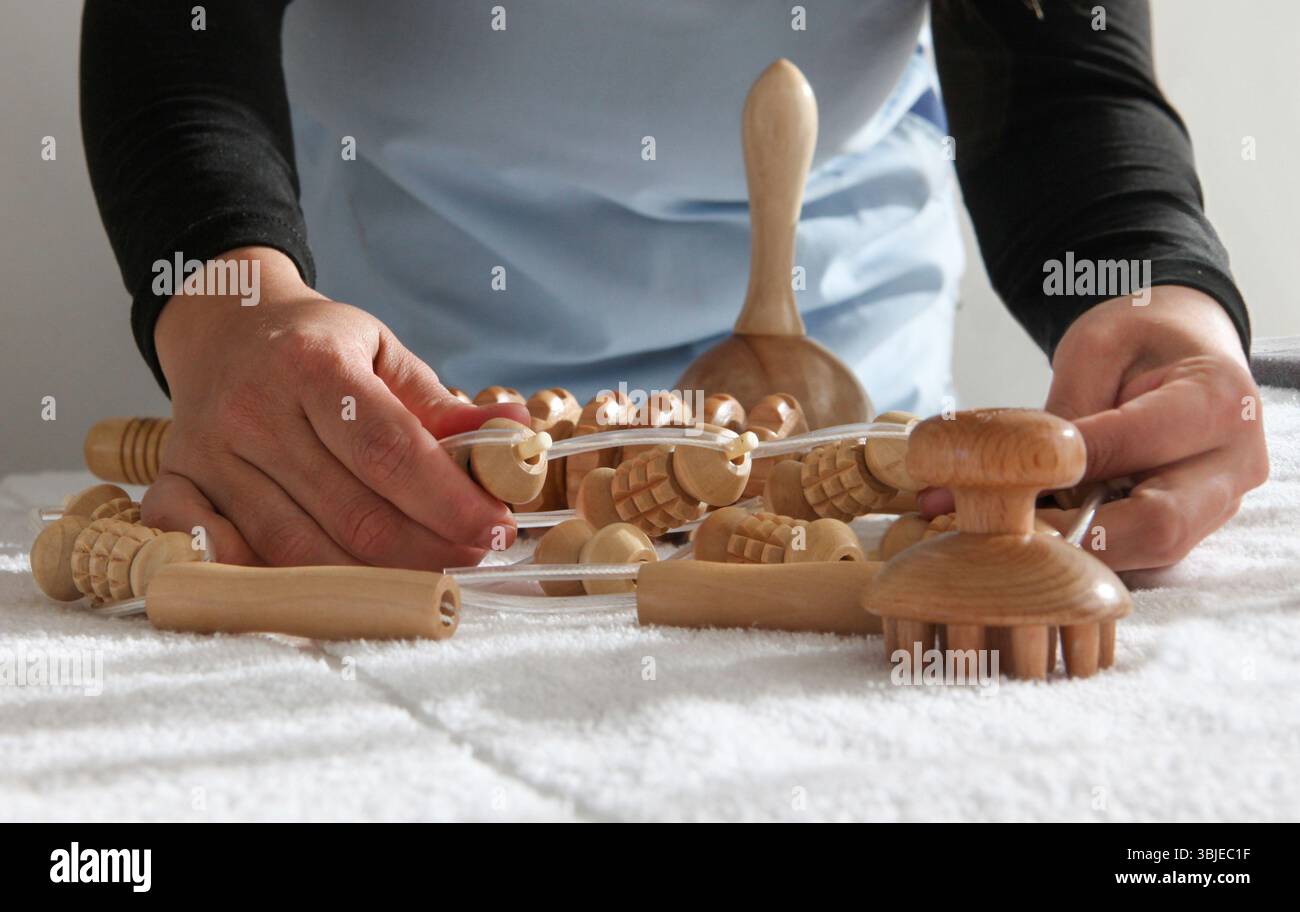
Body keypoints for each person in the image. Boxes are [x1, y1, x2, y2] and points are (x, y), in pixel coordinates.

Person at [79, 0, 1267, 573]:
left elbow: (1061, 86)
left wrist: (1159, 303)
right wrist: (235, 307)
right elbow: (172, 39)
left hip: (844, 431)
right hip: (411, 425)